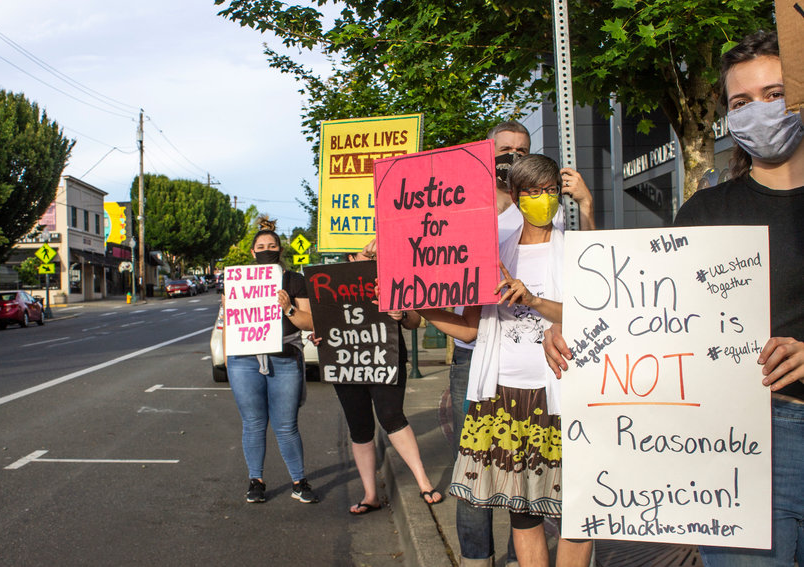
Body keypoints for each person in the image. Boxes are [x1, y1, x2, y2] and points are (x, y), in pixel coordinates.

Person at [543, 30, 804, 566]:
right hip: (739, 450)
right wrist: (584, 329)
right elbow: (657, 319)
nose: (759, 111)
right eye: (741, 102)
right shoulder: (705, 213)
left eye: (774, 94)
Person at [420, 154, 593, 567]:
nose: (543, 200)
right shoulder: (493, 252)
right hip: (504, 394)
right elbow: (469, 329)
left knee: (578, 509)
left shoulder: (572, 246)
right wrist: (419, 306)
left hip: (561, 393)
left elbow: (593, 313)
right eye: (533, 192)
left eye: (550, 191)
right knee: (523, 511)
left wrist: (532, 299)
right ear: (515, 197)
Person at [315, 248, 442, 514]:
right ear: (350, 258)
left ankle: (423, 481)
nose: (374, 260)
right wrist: (318, 337)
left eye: (376, 255)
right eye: (367, 255)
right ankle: (370, 494)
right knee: (359, 428)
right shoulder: (330, 283)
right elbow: (321, 323)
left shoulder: (393, 277)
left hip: (385, 358)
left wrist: (402, 315)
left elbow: (415, 320)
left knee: (392, 417)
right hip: (347, 361)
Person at [224, 227, 319, 504]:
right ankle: (256, 481)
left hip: (284, 357)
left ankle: (299, 481)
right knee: (253, 423)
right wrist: (231, 359)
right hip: (244, 361)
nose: (267, 249)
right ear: (253, 252)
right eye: (261, 246)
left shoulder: (294, 280)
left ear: (280, 250)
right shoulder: (238, 280)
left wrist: (288, 308)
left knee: (286, 425)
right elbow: (231, 321)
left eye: (272, 245)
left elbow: (310, 321)